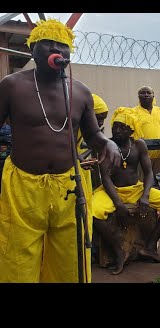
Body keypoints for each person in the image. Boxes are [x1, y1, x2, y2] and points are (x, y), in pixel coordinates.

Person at [0, 18, 120, 283]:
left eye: (63, 45)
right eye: (49, 43)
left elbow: (93, 135)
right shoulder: (12, 85)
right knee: (18, 257)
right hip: (23, 185)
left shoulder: (80, 91)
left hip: (70, 185)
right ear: (33, 49)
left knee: (71, 258)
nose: (58, 49)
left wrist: (107, 143)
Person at [92, 107, 160, 275]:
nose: (117, 130)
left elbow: (148, 173)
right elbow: (105, 177)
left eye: (123, 127)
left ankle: (149, 247)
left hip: (136, 189)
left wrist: (146, 195)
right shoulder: (106, 145)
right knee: (94, 212)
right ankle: (119, 250)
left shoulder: (139, 145)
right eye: (115, 125)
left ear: (131, 129)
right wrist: (118, 204)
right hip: (112, 191)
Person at [132, 86, 160, 175]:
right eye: (142, 93)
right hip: (141, 155)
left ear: (153, 95)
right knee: (144, 184)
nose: (146, 95)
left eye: (148, 93)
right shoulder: (132, 112)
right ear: (138, 96)